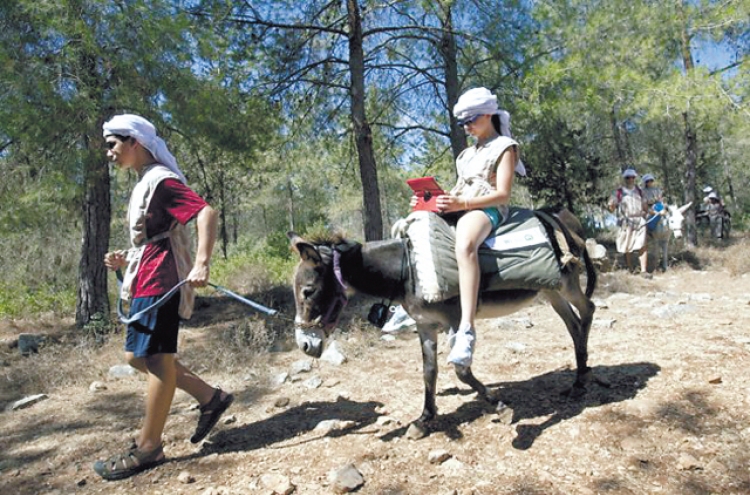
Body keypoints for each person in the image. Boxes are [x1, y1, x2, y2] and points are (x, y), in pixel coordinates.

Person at [94, 114, 234, 480]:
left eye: (113, 144)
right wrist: (126, 257)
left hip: (163, 278)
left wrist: (201, 263)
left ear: (134, 141)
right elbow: (156, 233)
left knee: (155, 359)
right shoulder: (145, 181)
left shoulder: (161, 180)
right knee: (136, 358)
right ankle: (210, 397)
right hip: (146, 274)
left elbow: (206, 212)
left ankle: (149, 447)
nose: (109, 152)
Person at [411, 87, 524, 367]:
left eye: (471, 119)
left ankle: (466, 329)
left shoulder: (505, 147)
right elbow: (458, 190)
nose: (467, 126)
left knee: (465, 243)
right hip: (463, 204)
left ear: (488, 114)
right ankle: (414, 300)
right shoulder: (465, 155)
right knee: (413, 226)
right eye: (463, 122)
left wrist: (461, 204)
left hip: (488, 208)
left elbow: (503, 194)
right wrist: (432, 199)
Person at [608, 168, 649, 277]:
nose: (630, 179)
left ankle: (643, 271)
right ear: (625, 179)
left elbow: (645, 206)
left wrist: (649, 210)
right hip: (626, 222)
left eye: (632, 177)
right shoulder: (619, 192)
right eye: (627, 177)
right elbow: (612, 207)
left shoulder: (640, 191)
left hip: (639, 220)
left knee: (643, 245)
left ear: (635, 178)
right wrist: (611, 205)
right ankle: (630, 268)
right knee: (627, 246)